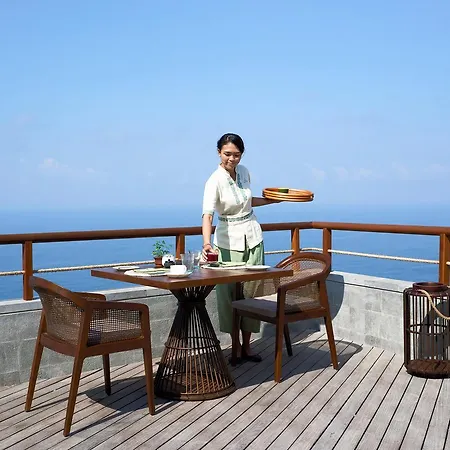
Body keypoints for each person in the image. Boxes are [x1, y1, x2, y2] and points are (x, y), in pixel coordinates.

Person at [201, 132, 279, 363]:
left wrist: (272, 200)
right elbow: (207, 215)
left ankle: (247, 346)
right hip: (227, 242)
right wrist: (206, 242)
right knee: (229, 295)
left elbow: (247, 201)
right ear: (219, 153)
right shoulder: (214, 181)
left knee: (252, 292)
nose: (232, 159)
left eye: (236, 155)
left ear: (242, 155)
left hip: (253, 237)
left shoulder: (244, 172)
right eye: (227, 154)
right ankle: (234, 346)